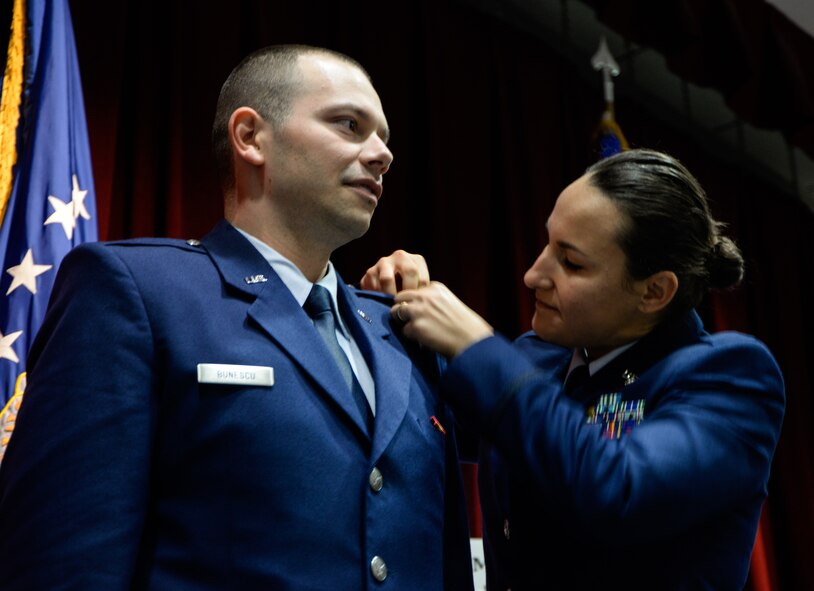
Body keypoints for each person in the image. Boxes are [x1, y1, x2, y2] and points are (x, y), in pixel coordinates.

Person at [0, 45, 474, 591]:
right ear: (250, 137)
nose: (382, 155)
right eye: (350, 125)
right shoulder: (139, 291)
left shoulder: (402, 328)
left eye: (385, 140)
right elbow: (62, 562)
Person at [363, 149, 785, 589]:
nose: (532, 275)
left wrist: (478, 347)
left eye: (572, 262)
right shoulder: (540, 356)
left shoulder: (730, 375)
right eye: (547, 243)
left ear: (655, 291)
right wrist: (394, 307)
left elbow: (616, 490)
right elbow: (427, 423)